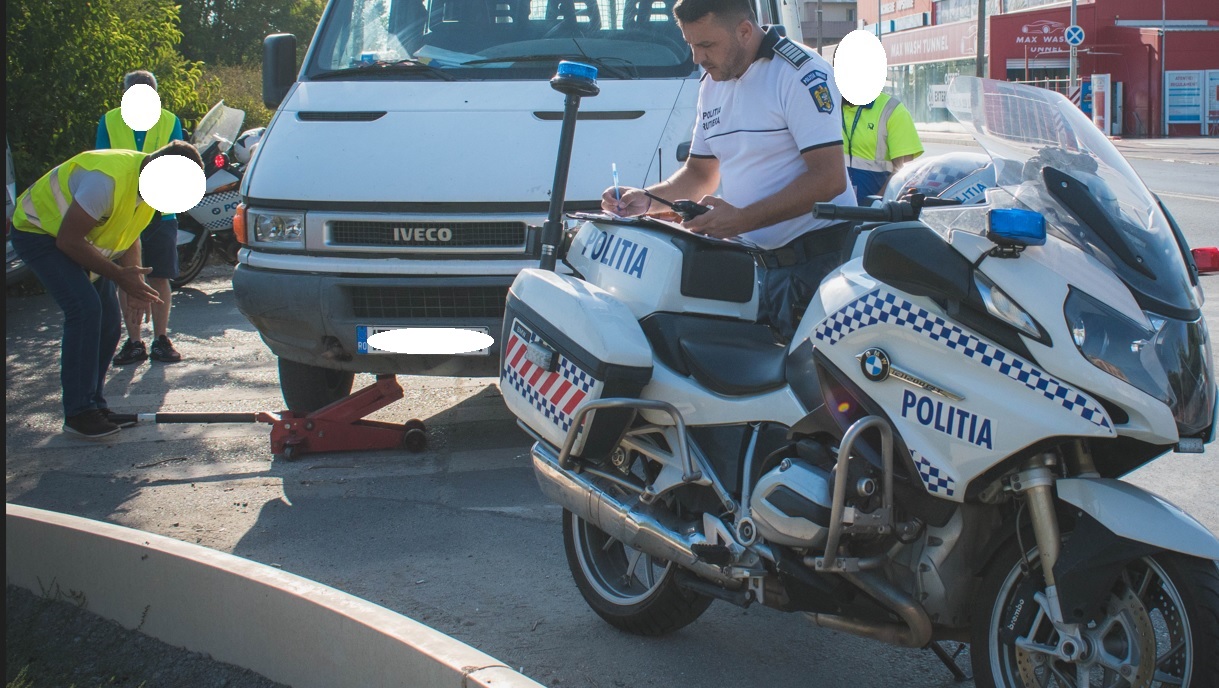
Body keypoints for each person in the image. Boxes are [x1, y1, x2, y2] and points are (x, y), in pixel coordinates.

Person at [602, 0, 856, 342]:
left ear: (745, 31)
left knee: (814, 392)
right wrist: (648, 200)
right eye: (690, 44)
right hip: (753, 268)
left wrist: (744, 219)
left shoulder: (800, 72)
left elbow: (828, 178)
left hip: (818, 267)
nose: (696, 58)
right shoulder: (711, 85)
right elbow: (699, 174)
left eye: (706, 45)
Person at [9, 142, 204, 438]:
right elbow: (68, 240)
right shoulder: (107, 181)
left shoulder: (148, 186)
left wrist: (134, 282)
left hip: (79, 241)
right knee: (85, 311)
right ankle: (78, 413)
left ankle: (94, 405)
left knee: (110, 325)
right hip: (39, 232)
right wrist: (119, 277)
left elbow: (130, 238)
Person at [97, 70, 187, 366]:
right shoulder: (110, 120)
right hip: (123, 208)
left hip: (160, 209)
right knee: (129, 275)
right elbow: (102, 163)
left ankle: (160, 338)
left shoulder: (170, 120)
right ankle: (135, 341)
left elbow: (178, 160)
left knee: (158, 274)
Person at [841, 91, 923, 203]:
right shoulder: (829, 107)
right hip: (832, 211)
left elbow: (902, 172)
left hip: (875, 213)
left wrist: (874, 205)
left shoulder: (893, 110)